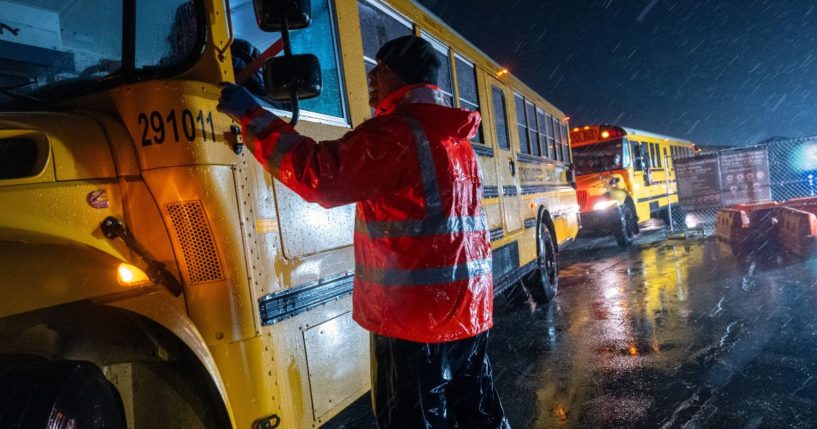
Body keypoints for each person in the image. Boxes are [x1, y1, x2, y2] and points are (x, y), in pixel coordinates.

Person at [217, 35, 509, 429]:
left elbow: (319, 175)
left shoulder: (397, 135)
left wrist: (252, 116)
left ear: (404, 77)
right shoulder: (454, 138)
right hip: (469, 311)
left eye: (382, 69)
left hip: (413, 323)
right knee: (476, 414)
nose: (371, 75)